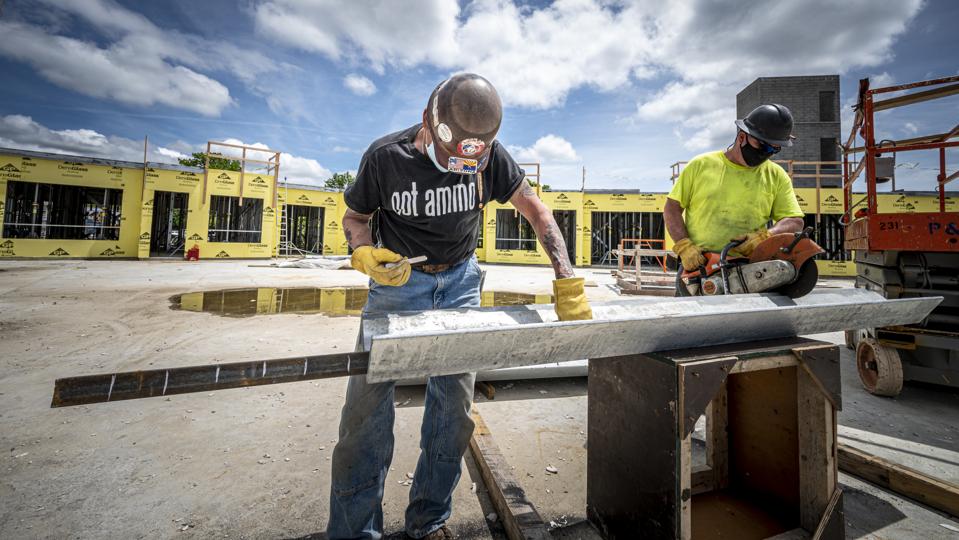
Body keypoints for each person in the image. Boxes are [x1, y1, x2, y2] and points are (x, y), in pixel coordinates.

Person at [328, 73, 592, 540]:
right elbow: (355, 217)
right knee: (364, 417)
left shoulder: (491, 156)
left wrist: (566, 279)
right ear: (427, 123)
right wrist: (363, 252)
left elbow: (537, 211)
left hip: (461, 283)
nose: (459, 169)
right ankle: (355, 532)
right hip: (398, 287)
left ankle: (428, 521)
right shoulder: (385, 157)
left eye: (469, 163)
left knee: (452, 412)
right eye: (450, 158)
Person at [664, 103, 805, 288]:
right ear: (742, 136)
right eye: (762, 145)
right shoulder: (701, 165)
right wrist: (684, 246)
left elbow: (794, 221)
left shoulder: (776, 175)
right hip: (699, 266)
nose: (766, 153)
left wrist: (766, 235)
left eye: (774, 149)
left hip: (750, 272)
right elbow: (672, 208)